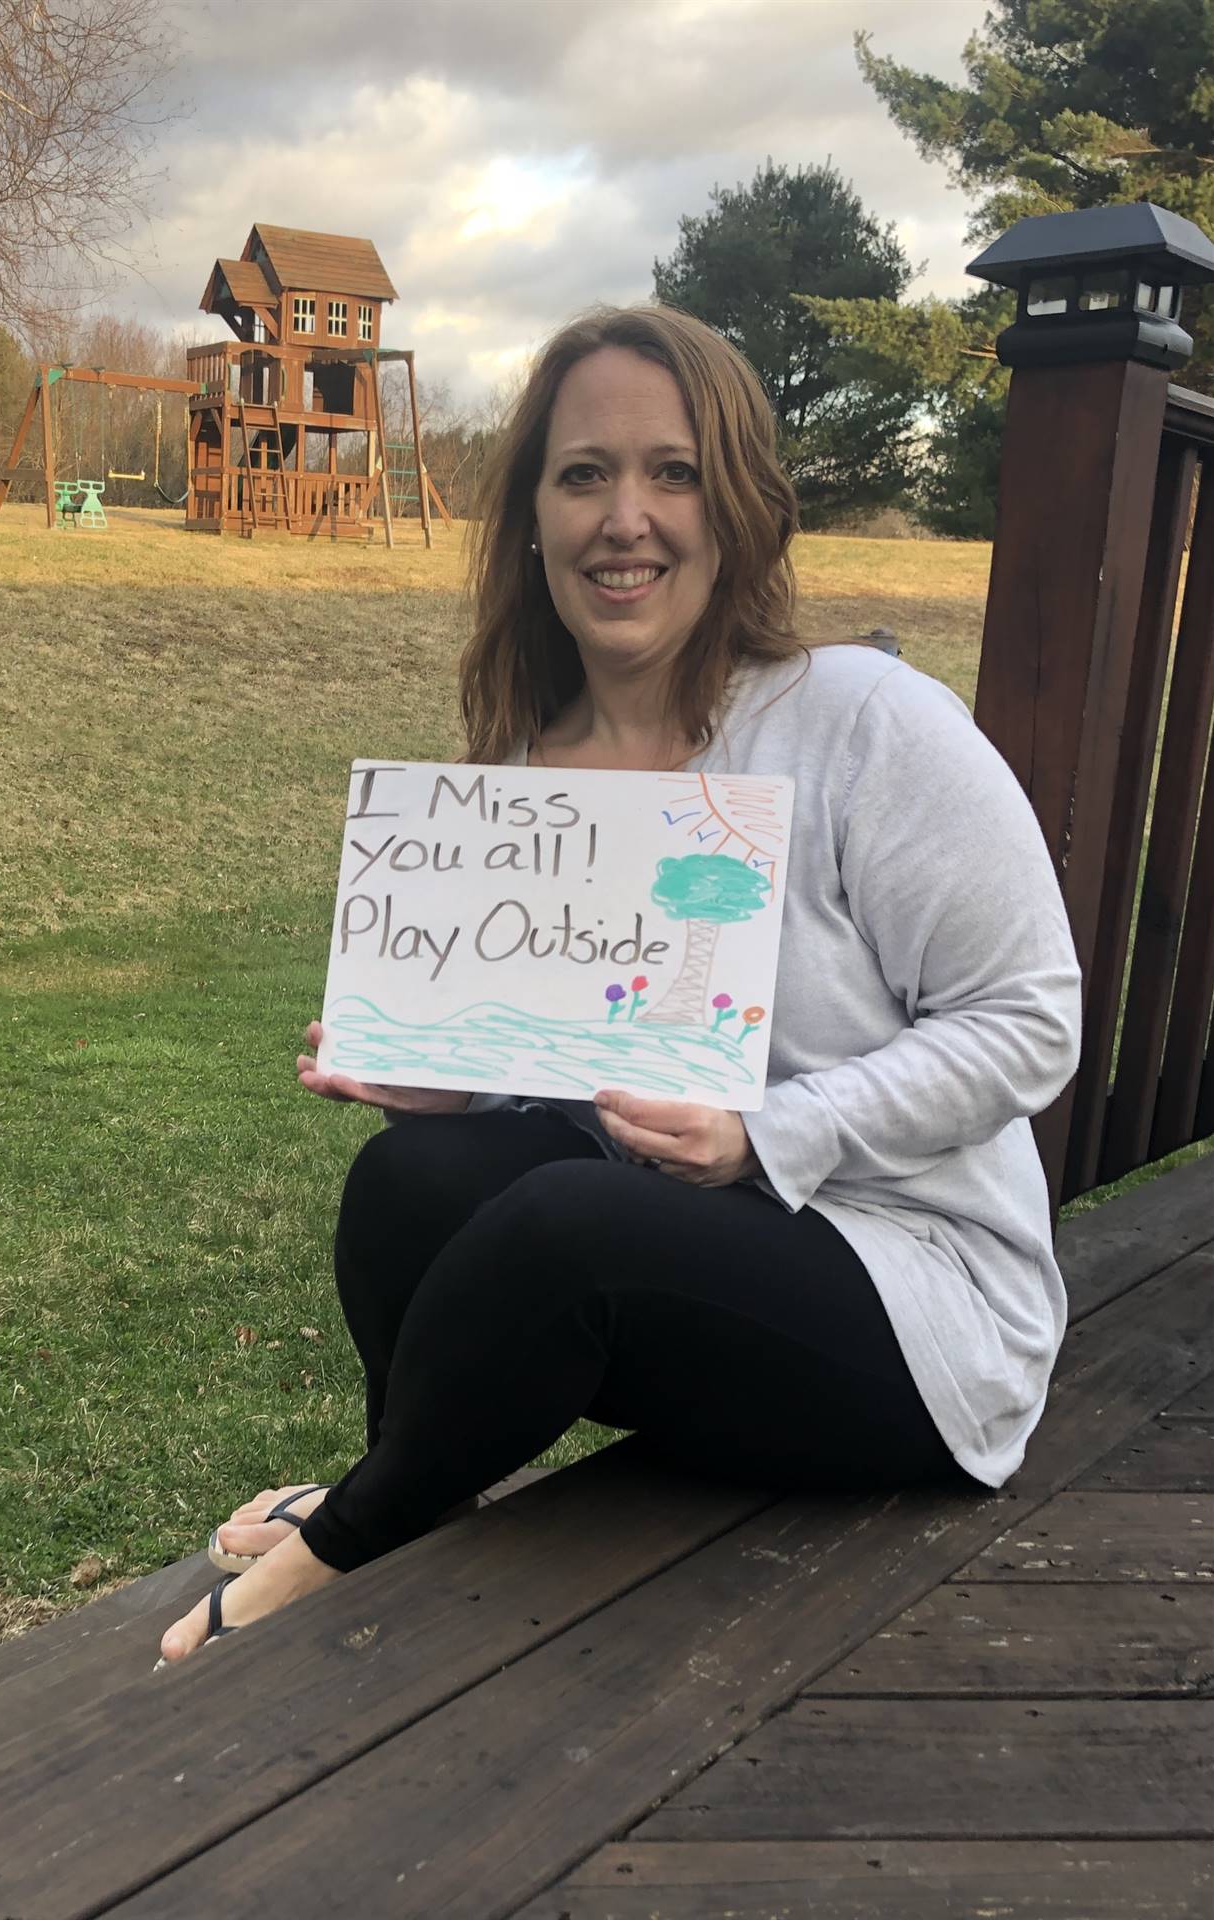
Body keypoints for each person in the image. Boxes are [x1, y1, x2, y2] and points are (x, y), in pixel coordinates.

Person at [157, 305, 1082, 1664]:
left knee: (571, 1224)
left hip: (919, 1321)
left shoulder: (861, 722)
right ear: (532, 514)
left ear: (740, 508)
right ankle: (415, 1480)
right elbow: (601, 1064)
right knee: (407, 1184)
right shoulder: (536, 766)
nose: (625, 518)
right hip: (691, 1285)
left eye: (674, 471)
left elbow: (1030, 1019)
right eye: (584, 473)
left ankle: (348, 1541)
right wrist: (452, 1069)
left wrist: (772, 1134)